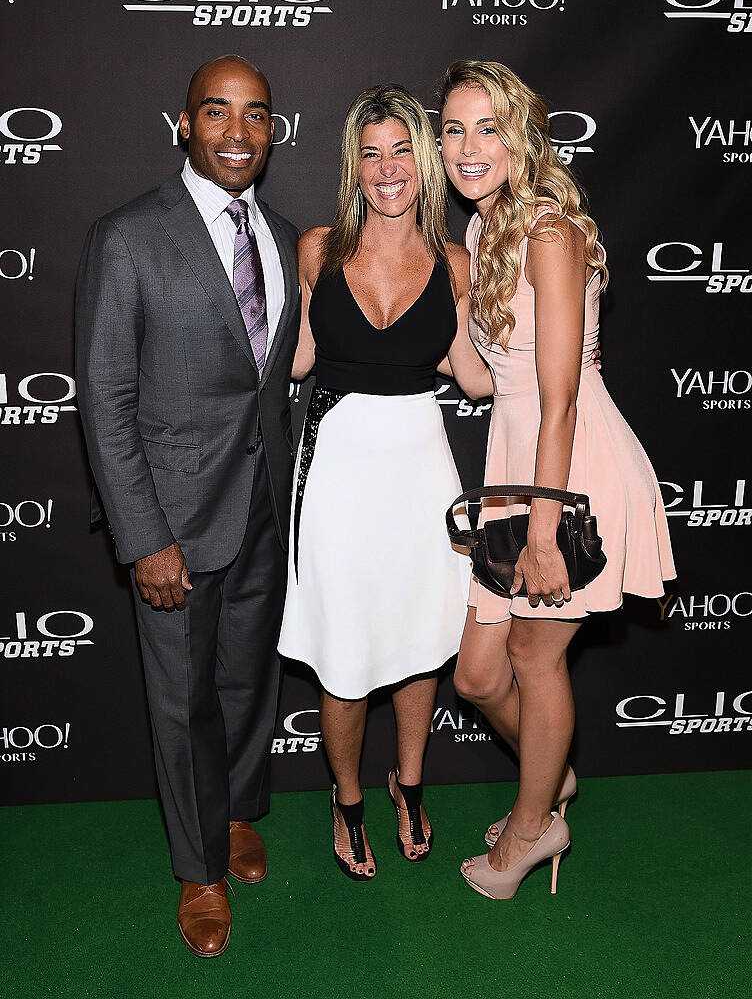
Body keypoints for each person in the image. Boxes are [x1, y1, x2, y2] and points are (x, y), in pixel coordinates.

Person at [75, 56, 300, 956]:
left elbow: (271, 387)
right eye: (218, 113)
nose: (238, 132)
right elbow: (103, 396)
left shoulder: (285, 236)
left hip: (262, 509)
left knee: (247, 683)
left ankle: (240, 810)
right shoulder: (128, 236)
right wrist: (143, 538)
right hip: (171, 523)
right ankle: (198, 869)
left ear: (273, 129)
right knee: (181, 703)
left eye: (256, 115)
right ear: (184, 123)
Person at [438, 60, 675, 900]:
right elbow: (479, 381)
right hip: (516, 463)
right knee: (475, 675)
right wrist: (434, 302)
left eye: (487, 128)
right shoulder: (478, 231)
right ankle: (550, 780)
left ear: (520, 134)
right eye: (454, 129)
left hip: (570, 469)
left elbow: (563, 391)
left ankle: (532, 829)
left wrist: (543, 528)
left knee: (536, 660)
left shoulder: (547, 230)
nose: (469, 147)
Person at [277, 84, 492, 880]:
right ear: (353, 167)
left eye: (402, 149)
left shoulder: (456, 263)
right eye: (371, 153)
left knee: (418, 641)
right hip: (335, 467)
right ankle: (346, 799)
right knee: (344, 648)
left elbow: (469, 375)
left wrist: (556, 359)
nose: (387, 168)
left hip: (419, 470)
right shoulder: (316, 249)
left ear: (427, 161)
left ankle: (408, 785)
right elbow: (295, 361)